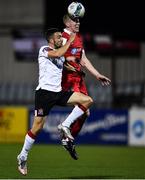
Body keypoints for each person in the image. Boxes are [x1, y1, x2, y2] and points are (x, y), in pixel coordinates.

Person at [17, 28, 93, 175]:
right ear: (51, 40)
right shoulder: (44, 49)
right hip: (44, 94)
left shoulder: (60, 52)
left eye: (61, 37)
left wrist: (75, 70)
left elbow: (61, 62)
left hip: (58, 92)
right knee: (37, 128)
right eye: (58, 37)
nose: (61, 39)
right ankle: (23, 156)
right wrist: (70, 41)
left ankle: (65, 125)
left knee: (87, 100)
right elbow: (58, 54)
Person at [60, 14, 111, 159]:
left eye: (78, 20)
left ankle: (68, 139)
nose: (77, 22)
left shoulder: (78, 38)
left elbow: (84, 60)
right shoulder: (63, 37)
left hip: (80, 79)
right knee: (85, 106)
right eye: (74, 21)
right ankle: (65, 128)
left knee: (86, 112)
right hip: (69, 79)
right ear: (67, 23)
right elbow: (57, 56)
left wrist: (97, 74)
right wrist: (65, 64)